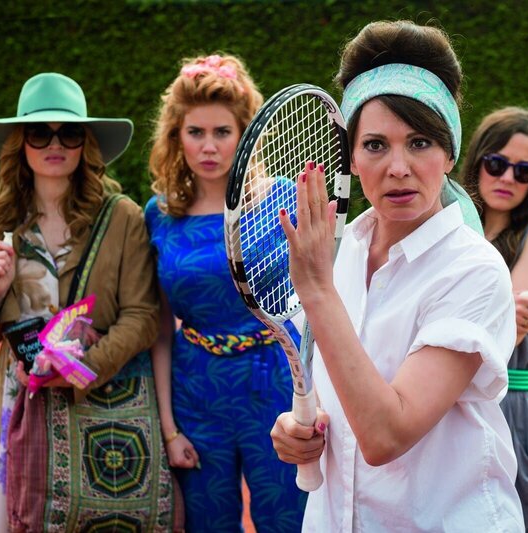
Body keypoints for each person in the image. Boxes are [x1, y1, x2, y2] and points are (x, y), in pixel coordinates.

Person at [270, 20, 524, 531]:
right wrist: (297, 430)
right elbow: (339, 396)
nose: (398, 167)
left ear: (449, 154)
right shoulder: (339, 253)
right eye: (375, 145)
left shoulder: (473, 270)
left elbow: (387, 434)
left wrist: (317, 291)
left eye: (420, 142)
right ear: (350, 157)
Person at [0, 72, 181, 532]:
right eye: (39, 132)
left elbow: (143, 316)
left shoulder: (120, 216)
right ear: (20, 143)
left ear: (86, 143)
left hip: (102, 396)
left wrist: (81, 369)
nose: (54, 143)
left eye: (69, 132)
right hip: (23, 400)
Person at [145, 53, 307, 532]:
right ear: (177, 136)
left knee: (288, 522)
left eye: (222, 132)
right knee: (207, 524)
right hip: (196, 392)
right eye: (196, 132)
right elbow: (160, 329)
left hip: (278, 382)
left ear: (245, 134)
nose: (209, 146)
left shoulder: (283, 199)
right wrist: (169, 429)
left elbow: (319, 298)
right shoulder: (159, 214)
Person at [459, 106, 528, 533]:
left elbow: (508, 331)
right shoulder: (452, 229)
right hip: (447, 407)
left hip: (512, 410)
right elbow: (495, 318)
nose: (507, 178)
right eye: (496, 164)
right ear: (478, 161)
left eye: (523, 172)